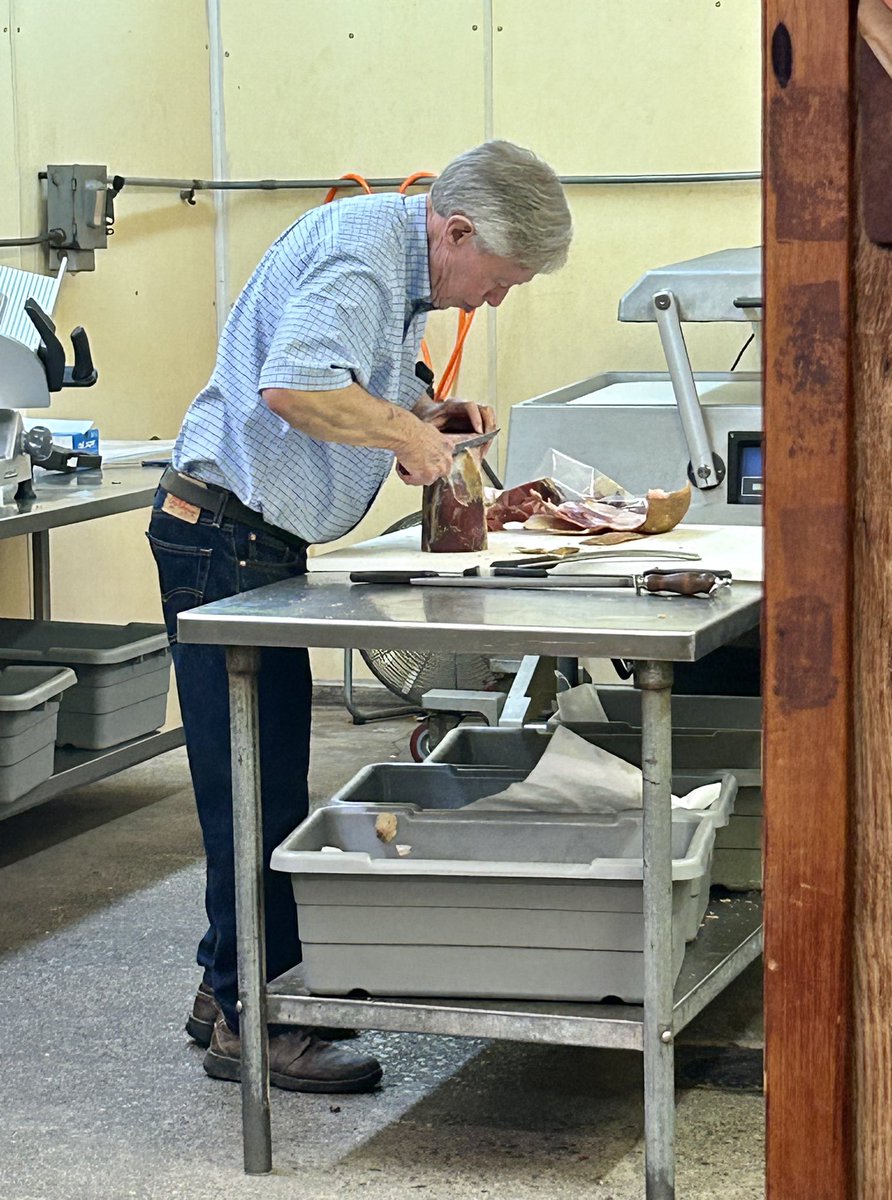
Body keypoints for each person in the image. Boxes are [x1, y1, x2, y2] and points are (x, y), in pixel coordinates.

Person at [147, 139, 573, 1094]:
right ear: (455, 231)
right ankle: (257, 1024)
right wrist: (405, 435)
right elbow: (294, 387)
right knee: (253, 787)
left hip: (248, 539)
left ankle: (226, 990)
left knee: (259, 774)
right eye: (497, 280)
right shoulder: (361, 258)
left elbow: (346, 369)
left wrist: (427, 407)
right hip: (221, 539)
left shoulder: (395, 260)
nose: (493, 301)